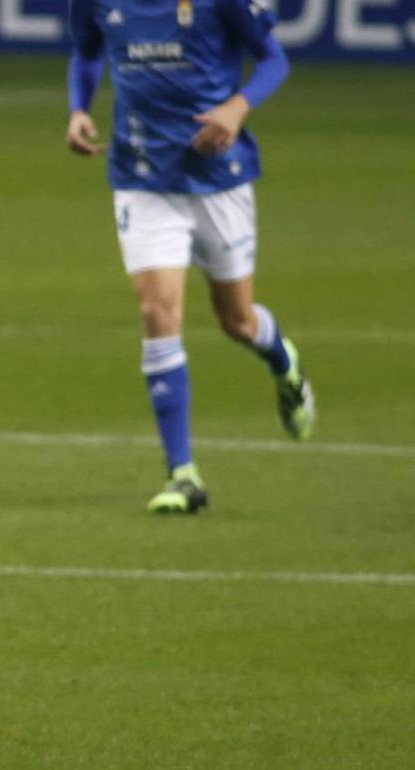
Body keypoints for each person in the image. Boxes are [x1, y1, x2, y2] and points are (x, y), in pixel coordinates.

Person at [65, 0, 315, 513]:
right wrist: (79, 108)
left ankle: (283, 361)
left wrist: (237, 107)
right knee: (158, 312)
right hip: (142, 177)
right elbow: (86, 51)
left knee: (237, 321)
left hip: (218, 178)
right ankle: (182, 474)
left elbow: (274, 58)